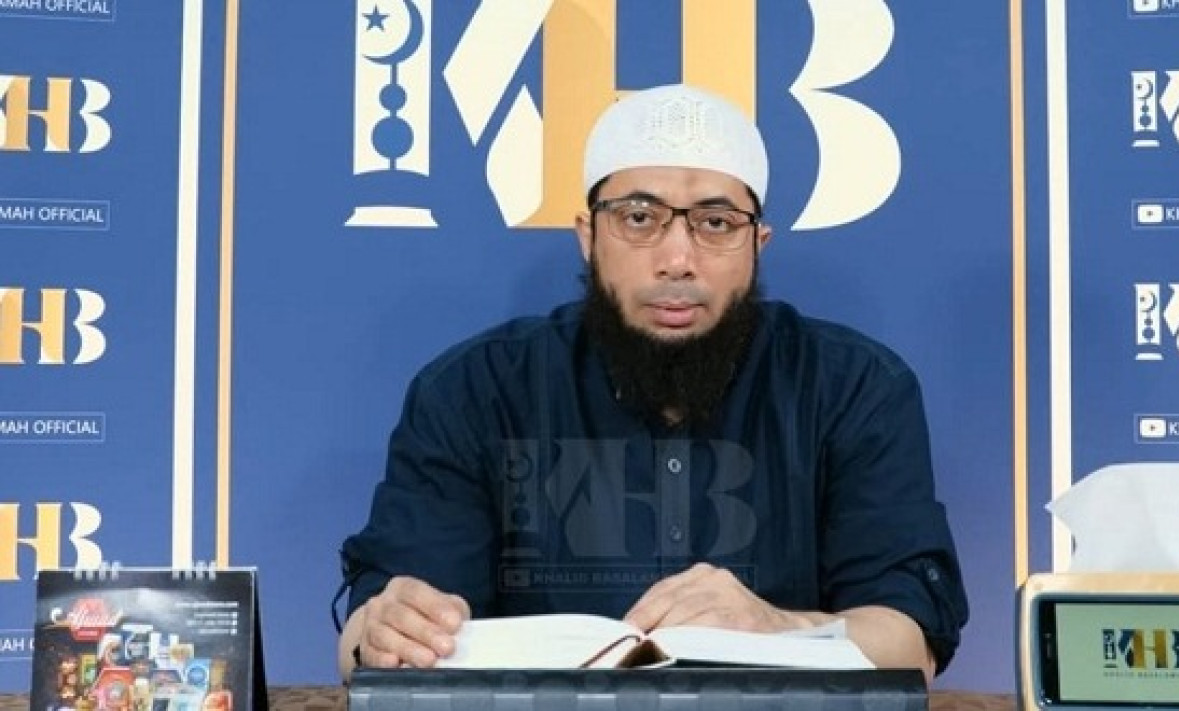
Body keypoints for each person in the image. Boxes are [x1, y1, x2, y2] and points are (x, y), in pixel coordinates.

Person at [334, 83, 969, 683]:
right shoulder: (475, 391)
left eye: (716, 223)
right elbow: (365, 643)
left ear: (758, 243)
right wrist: (384, 629)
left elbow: (910, 642)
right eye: (639, 218)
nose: (677, 259)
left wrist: (780, 627)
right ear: (588, 237)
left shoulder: (854, 388)